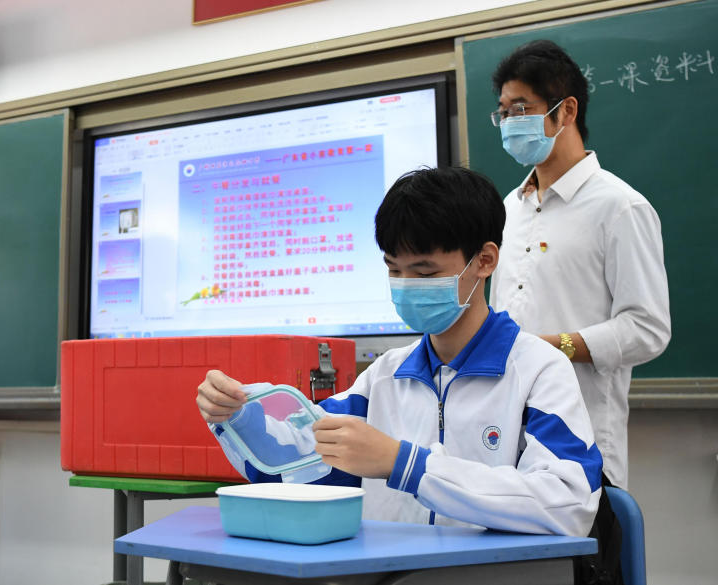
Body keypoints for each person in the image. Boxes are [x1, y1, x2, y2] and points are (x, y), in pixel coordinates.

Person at [197, 167, 602, 536]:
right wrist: (239, 416)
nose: (406, 284)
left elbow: (567, 503)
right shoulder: (383, 377)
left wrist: (407, 466)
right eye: (394, 269)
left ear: (484, 261)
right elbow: (297, 467)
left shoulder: (538, 370)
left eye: (424, 272)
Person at [488, 40, 671, 489]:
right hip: (503, 439)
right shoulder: (507, 208)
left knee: (581, 560)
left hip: (583, 445)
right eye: (504, 112)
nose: (511, 122)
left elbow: (648, 329)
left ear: (566, 111)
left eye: (522, 108)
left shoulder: (619, 207)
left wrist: (556, 346)